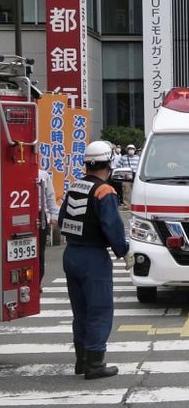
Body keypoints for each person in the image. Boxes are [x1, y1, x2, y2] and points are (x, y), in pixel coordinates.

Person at [58, 141, 131, 379]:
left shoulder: (74, 187)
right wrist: (124, 251)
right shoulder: (104, 191)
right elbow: (112, 227)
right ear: (109, 163)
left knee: (81, 312)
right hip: (93, 257)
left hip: (72, 255)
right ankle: (95, 364)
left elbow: (61, 221)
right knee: (99, 310)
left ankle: (81, 361)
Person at [37, 168, 58, 285]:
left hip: (40, 214)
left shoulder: (43, 175)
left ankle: (38, 282)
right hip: (20, 212)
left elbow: (50, 195)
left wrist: (53, 215)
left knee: (40, 251)